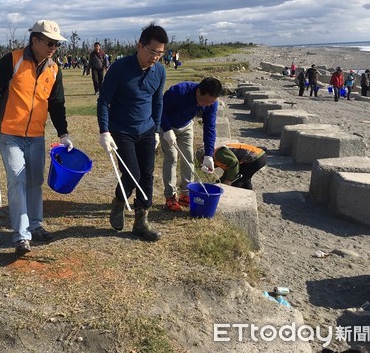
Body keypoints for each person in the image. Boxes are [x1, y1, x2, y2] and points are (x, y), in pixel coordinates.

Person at [0, 20, 73, 256]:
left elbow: (56, 104)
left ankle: (35, 224)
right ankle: (22, 236)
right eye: (50, 42)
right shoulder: (12, 60)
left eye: (57, 43)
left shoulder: (54, 69)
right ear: (35, 40)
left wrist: (63, 133)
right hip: (10, 134)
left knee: (35, 181)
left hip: (36, 135)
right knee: (17, 180)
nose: (54, 47)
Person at [97, 23, 167, 242]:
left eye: (160, 53)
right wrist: (104, 131)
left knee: (147, 176)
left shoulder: (160, 71)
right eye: (152, 51)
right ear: (139, 46)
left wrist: (156, 130)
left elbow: (158, 102)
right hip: (122, 130)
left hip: (146, 130)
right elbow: (104, 101)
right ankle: (119, 201)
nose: (155, 57)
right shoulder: (120, 68)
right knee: (132, 174)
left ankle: (141, 221)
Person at [160, 78, 222, 211]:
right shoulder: (178, 92)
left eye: (212, 102)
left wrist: (208, 155)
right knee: (172, 157)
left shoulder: (212, 103)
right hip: (168, 127)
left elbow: (210, 127)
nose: (208, 105)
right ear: (199, 92)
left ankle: (185, 194)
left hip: (186, 126)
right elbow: (160, 110)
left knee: (188, 158)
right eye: (206, 101)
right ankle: (170, 196)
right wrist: (166, 129)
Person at [196, 143, 267, 190]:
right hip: (257, 157)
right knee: (245, 178)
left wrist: (228, 180)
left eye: (203, 162)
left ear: (205, 157)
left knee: (237, 182)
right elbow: (229, 171)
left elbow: (234, 163)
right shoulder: (217, 158)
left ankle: (241, 200)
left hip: (256, 158)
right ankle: (249, 195)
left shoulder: (219, 154)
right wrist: (219, 182)